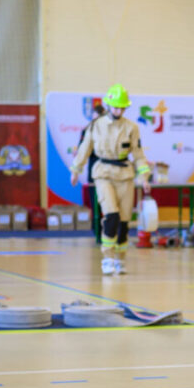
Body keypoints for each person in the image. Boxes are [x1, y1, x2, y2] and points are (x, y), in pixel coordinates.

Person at [70, 83, 151, 276]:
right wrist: (76, 170)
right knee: (111, 216)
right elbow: (85, 148)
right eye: (115, 107)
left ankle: (120, 259)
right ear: (108, 105)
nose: (118, 111)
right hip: (103, 174)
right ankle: (107, 258)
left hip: (125, 176)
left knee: (124, 221)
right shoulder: (96, 126)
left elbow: (138, 154)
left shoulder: (131, 128)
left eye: (122, 108)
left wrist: (144, 177)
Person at [77, 104, 106, 183]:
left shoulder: (110, 130)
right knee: (93, 185)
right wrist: (76, 171)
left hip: (108, 165)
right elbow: (81, 149)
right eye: (96, 115)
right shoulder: (87, 130)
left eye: (101, 115)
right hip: (94, 162)